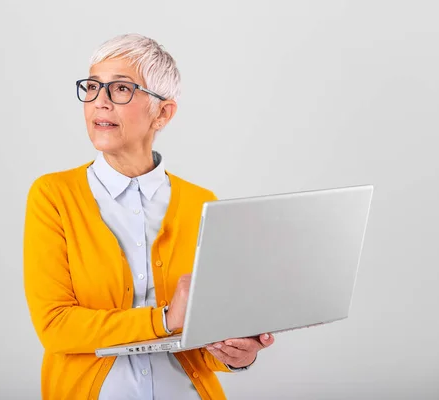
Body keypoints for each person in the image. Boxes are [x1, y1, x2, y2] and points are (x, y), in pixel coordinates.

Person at [23, 33, 274, 400]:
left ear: (163, 112)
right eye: (92, 87)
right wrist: (164, 320)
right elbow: (56, 326)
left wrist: (237, 354)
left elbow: (204, 337)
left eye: (120, 89)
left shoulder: (202, 203)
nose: (100, 103)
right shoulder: (54, 196)